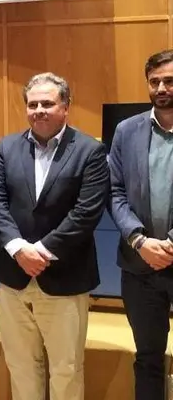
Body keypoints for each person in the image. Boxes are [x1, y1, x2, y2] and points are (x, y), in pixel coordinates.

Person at [0, 72, 110, 400]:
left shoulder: (89, 151)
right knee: (21, 365)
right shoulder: (7, 147)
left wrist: (39, 251)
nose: (39, 109)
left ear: (65, 107)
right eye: (32, 104)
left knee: (66, 368)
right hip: (14, 278)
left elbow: (86, 213)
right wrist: (17, 249)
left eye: (48, 103)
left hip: (64, 277)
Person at [107, 49, 173, 400]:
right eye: (154, 81)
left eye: (169, 81)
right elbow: (115, 191)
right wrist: (139, 239)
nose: (161, 87)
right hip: (139, 264)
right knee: (148, 357)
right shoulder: (126, 131)